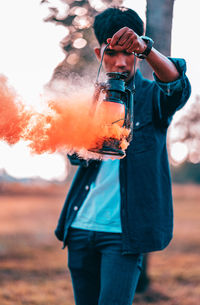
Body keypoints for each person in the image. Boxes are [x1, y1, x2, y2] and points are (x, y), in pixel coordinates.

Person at [55, 7, 191, 305]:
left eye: (128, 53)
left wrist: (146, 48)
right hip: (80, 229)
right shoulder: (90, 100)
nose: (120, 62)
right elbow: (76, 158)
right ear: (98, 52)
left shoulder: (152, 97)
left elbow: (176, 85)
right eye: (111, 53)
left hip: (122, 236)